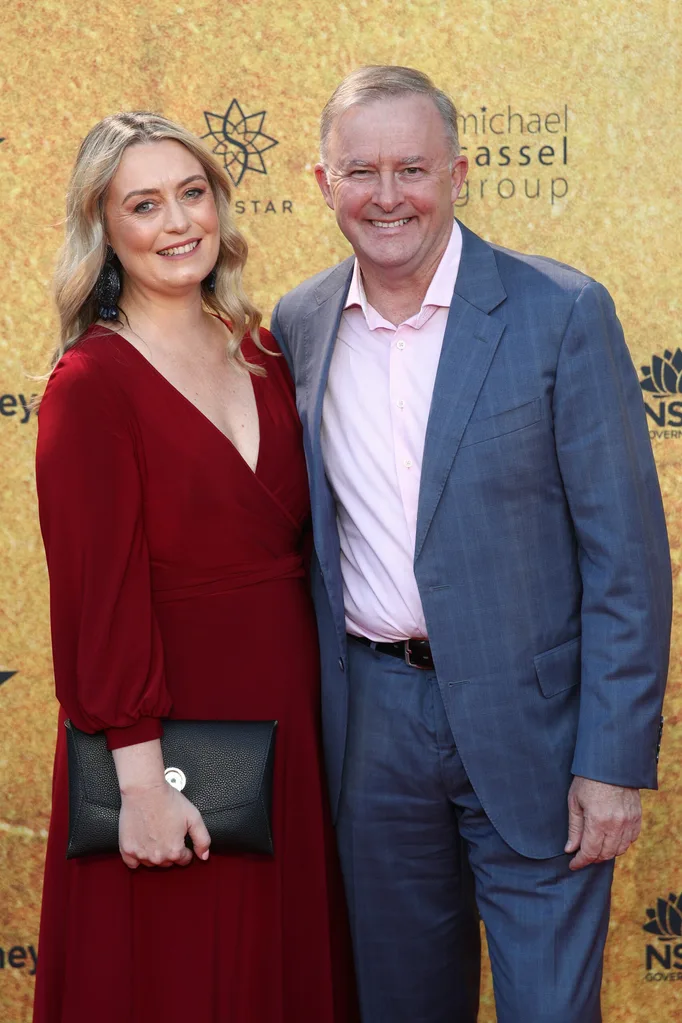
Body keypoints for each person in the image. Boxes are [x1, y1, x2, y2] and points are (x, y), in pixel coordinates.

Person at [270, 66, 672, 1023]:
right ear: (323, 185)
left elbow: (628, 559)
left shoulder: (561, 312)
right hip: (372, 731)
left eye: (412, 167)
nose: (387, 195)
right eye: (360, 171)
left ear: (459, 172)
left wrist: (613, 760)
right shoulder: (299, 324)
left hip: (538, 736)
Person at [33, 111, 357, 1023]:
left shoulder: (262, 352)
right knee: (178, 974)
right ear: (105, 229)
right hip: (170, 736)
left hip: (294, 719)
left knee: (278, 967)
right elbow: (98, 599)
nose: (179, 223)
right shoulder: (91, 385)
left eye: (193, 193)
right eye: (145, 204)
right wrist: (139, 782)